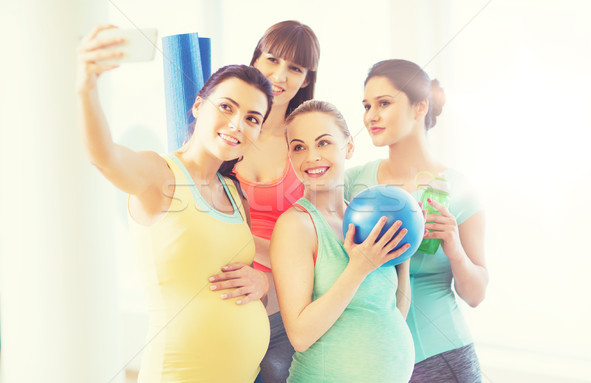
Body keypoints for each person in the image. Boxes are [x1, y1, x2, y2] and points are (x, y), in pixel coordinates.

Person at [77, 25, 274, 382]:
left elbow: (267, 260)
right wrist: (86, 85)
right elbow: (104, 156)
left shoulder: (232, 191)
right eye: (226, 107)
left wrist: (263, 283)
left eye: (252, 118)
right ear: (199, 105)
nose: (237, 124)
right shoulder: (161, 174)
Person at [345, 59, 488, 383]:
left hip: (440, 359)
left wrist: (454, 249)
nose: (371, 116)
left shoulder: (460, 189)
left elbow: (476, 295)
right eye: (367, 105)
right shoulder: (352, 184)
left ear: (420, 106)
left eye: (384, 103)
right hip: (371, 361)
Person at [270, 100, 416, 382]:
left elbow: (392, 311)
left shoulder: (369, 220)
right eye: (299, 147)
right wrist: (358, 268)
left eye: (323, 143)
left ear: (349, 146)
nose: (311, 156)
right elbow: (300, 336)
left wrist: (403, 259)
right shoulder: (297, 225)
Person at [209, 20, 320, 383]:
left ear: (306, 80)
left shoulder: (306, 143)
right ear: (256, 60)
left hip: (282, 315)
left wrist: (255, 256)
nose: (280, 75)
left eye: (295, 68)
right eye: (272, 60)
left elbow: (317, 242)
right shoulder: (225, 134)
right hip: (221, 302)